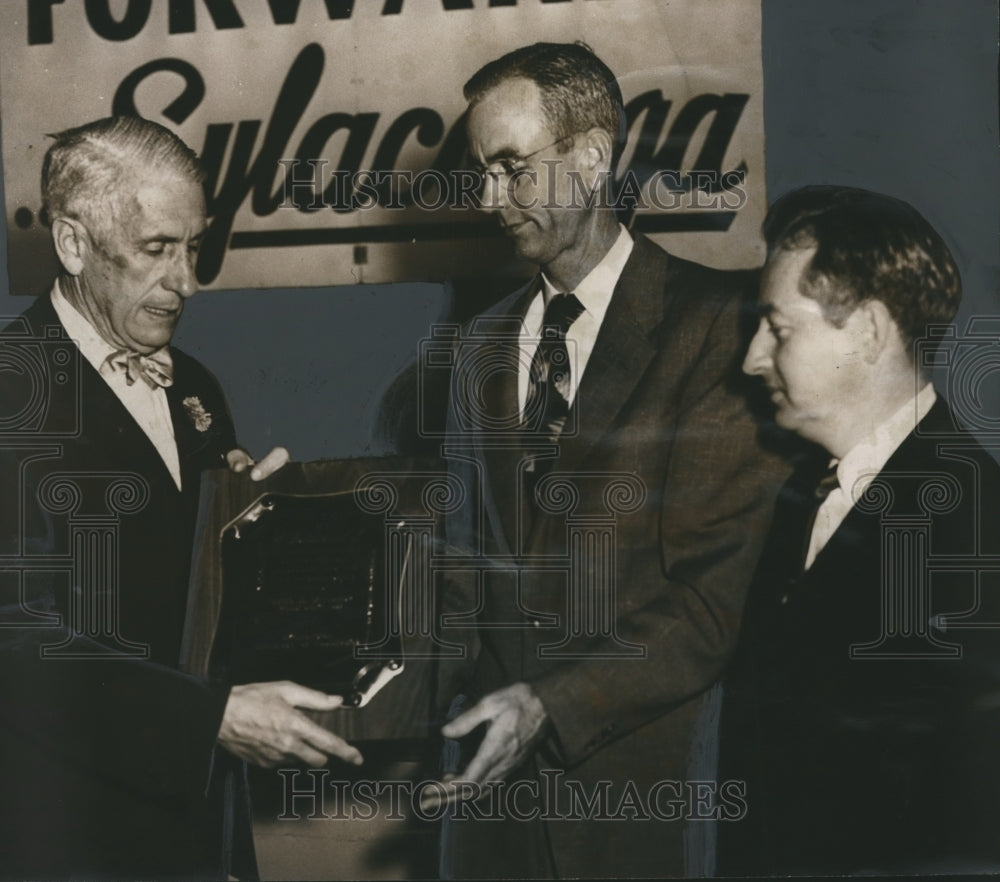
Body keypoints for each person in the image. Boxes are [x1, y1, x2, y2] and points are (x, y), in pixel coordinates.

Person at [430, 43, 786, 879]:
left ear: (590, 159)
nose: (488, 199)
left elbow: (709, 604)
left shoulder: (719, 331)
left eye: (511, 168)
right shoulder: (478, 346)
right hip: (489, 814)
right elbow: (453, 580)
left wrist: (550, 707)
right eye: (481, 173)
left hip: (636, 810)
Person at [0, 116, 361, 880]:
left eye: (193, 247)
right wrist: (208, 720)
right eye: (157, 249)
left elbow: (183, 595)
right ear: (71, 243)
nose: (187, 281)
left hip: (195, 828)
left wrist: (261, 527)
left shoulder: (194, 385)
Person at [717, 186, 1000, 875]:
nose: (751, 358)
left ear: (870, 332)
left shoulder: (974, 526)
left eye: (779, 329)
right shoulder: (800, 495)